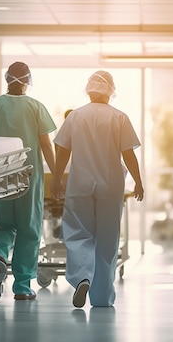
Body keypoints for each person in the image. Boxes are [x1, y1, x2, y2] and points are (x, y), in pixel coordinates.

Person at [51, 70, 144, 308]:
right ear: (111, 90)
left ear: (89, 89)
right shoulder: (119, 117)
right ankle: (101, 297)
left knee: (79, 233)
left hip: (80, 182)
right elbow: (128, 153)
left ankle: (82, 276)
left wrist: (56, 178)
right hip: (111, 184)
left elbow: (63, 150)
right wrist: (139, 181)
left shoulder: (76, 116)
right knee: (107, 238)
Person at [0, 61, 56, 300]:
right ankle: (21, 285)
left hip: (0, 177)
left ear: (6, 79)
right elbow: (45, 145)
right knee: (29, 230)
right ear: (28, 81)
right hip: (29, 177)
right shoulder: (35, 107)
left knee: (4, 224)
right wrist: (57, 175)